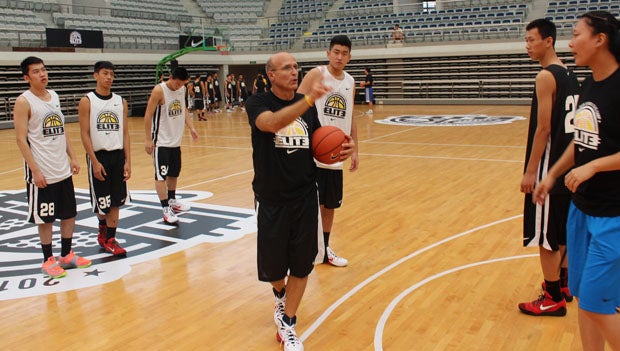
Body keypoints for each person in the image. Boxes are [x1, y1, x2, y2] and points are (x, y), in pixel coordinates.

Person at [246, 52, 354, 351]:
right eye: (286, 68)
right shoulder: (258, 102)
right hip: (271, 199)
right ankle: (280, 296)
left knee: (303, 265)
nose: (294, 72)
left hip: (305, 196)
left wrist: (341, 147)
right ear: (271, 75)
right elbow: (269, 124)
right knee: (274, 270)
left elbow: (319, 140)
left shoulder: (308, 109)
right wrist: (306, 100)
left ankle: (288, 323)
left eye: (296, 67)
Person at [533, 11, 620, 350]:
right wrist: (552, 173)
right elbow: (581, 140)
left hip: (613, 217)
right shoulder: (589, 85)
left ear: (600, 39)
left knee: (598, 303)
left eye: (576, 34)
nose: (570, 42)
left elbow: (592, 157)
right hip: (581, 211)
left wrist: (594, 167)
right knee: (586, 300)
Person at [518, 19, 580, 317]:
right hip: (568, 164)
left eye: (532, 40)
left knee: (545, 235)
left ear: (549, 41)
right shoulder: (570, 73)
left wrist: (531, 171)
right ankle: (565, 286)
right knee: (562, 230)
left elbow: (543, 129)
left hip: (549, 166)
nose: (527, 45)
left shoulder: (545, 76)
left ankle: (552, 296)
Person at [13, 56, 92, 278]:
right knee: (45, 218)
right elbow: (20, 139)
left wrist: (73, 157)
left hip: (62, 169)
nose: (42, 74)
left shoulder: (54, 96)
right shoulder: (23, 102)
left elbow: (62, 128)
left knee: (69, 214)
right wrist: (35, 170)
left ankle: (66, 255)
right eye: (36, 71)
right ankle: (48, 259)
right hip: (42, 171)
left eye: (44, 69)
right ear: (26, 77)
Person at [297, 34, 359, 267]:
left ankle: (324, 250)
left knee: (329, 205)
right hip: (312, 153)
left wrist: (355, 150)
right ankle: (307, 249)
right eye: (336, 52)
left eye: (344, 53)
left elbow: (351, 115)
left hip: (336, 152)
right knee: (308, 204)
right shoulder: (316, 74)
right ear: (328, 53)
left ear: (349, 57)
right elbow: (295, 104)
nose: (339, 56)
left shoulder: (351, 82)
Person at [78, 61, 131, 257]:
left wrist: (128, 160)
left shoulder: (120, 101)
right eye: (105, 73)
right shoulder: (87, 101)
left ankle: (110, 238)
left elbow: (125, 133)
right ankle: (103, 229)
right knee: (103, 202)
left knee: (116, 201)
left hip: (117, 155)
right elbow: (84, 133)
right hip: (99, 155)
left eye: (111, 74)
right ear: (95, 76)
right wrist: (94, 161)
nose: (109, 77)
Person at [144, 67, 199, 224]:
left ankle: (172, 200)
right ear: (171, 77)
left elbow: (184, 110)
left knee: (174, 173)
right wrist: (148, 139)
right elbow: (148, 115)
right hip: (161, 142)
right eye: (177, 84)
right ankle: (165, 208)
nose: (179, 87)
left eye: (182, 84)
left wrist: (192, 127)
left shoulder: (182, 90)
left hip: (176, 141)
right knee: (161, 175)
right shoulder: (159, 91)